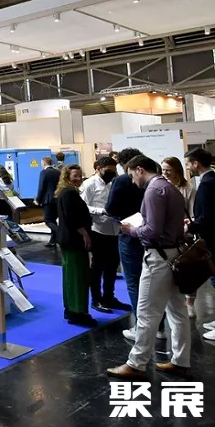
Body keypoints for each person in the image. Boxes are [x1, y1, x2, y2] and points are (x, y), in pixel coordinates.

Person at [107, 155, 190, 379]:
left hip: (158, 257)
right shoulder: (170, 188)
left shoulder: (153, 190)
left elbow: (152, 231)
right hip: (174, 254)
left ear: (140, 169)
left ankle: (136, 364)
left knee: (146, 312)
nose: (133, 181)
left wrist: (131, 230)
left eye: (131, 175)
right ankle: (181, 361)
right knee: (177, 312)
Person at [105, 147, 149, 341]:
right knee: (152, 281)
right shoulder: (154, 179)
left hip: (130, 233)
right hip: (152, 235)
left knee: (134, 282)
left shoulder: (122, 180)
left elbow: (110, 208)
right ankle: (158, 326)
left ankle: (141, 326)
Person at [80, 156, 130, 314]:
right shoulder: (89, 184)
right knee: (97, 266)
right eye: (108, 171)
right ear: (98, 169)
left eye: (114, 171)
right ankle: (96, 299)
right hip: (98, 229)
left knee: (112, 266)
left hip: (115, 229)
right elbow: (83, 206)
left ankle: (109, 296)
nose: (112, 174)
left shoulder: (113, 182)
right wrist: (101, 211)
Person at [56, 165, 96, 328]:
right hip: (74, 241)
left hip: (69, 241)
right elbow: (72, 218)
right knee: (77, 277)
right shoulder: (69, 193)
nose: (79, 179)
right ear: (67, 177)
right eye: (75, 176)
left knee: (71, 277)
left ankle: (71, 310)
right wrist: (85, 234)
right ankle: (78, 313)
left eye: (80, 175)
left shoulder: (65, 192)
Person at [162, 156, 198, 319]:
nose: (165, 173)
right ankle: (174, 304)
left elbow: (192, 213)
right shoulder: (160, 186)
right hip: (167, 236)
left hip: (185, 235)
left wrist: (187, 228)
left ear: (177, 170)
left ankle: (190, 303)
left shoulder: (188, 188)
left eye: (168, 170)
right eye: (163, 170)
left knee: (188, 270)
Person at [184, 148, 215, 336]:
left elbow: (207, 216)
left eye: (188, 164)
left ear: (196, 163)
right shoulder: (211, 180)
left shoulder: (206, 184)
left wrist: (190, 227)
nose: (188, 168)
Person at [34, 156, 60, 248]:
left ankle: (60, 233)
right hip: (57, 199)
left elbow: (41, 187)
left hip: (48, 200)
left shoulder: (44, 172)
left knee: (48, 220)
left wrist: (38, 200)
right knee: (53, 220)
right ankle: (53, 241)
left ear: (44, 163)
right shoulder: (58, 172)